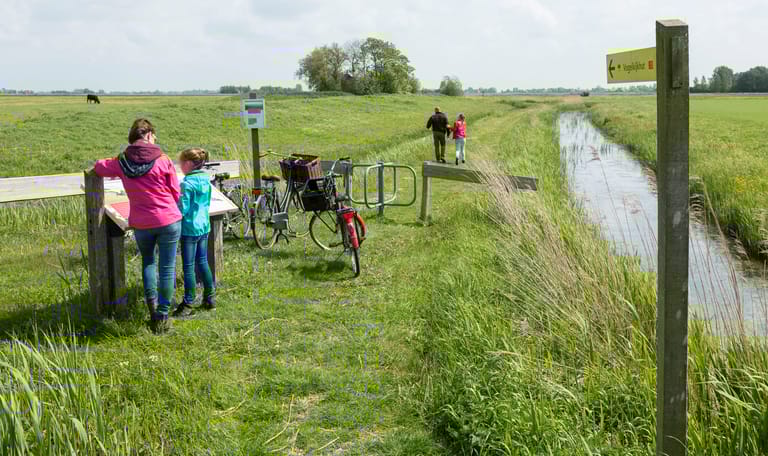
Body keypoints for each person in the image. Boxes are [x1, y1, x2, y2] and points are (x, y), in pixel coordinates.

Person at [93, 118, 181, 334]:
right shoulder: (163, 159)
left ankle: (152, 311)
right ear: (149, 134)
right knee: (167, 268)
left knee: (148, 263)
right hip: (168, 219)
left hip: (141, 222)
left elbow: (98, 166)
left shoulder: (122, 161)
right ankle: (163, 315)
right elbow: (176, 191)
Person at [173, 147, 216, 316]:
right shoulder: (206, 180)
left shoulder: (186, 183)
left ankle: (188, 303)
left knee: (189, 267)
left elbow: (182, 209)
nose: (180, 166)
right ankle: (210, 297)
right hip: (204, 226)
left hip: (189, 229)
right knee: (203, 261)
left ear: (189, 164)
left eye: (181, 163)